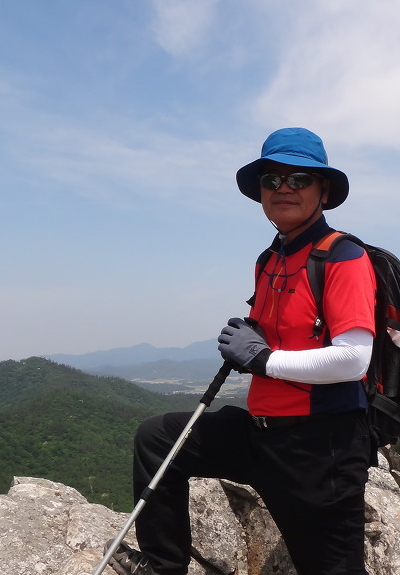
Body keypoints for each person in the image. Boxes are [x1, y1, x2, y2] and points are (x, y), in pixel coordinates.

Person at [108, 127, 376, 575]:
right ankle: (163, 567)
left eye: (299, 178)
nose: (283, 188)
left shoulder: (343, 257)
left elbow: (354, 359)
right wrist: (252, 338)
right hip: (260, 433)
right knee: (159, 438)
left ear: (324, 191)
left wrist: (262, 358)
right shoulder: (270, 260)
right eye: (272, 180)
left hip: (320, 447)